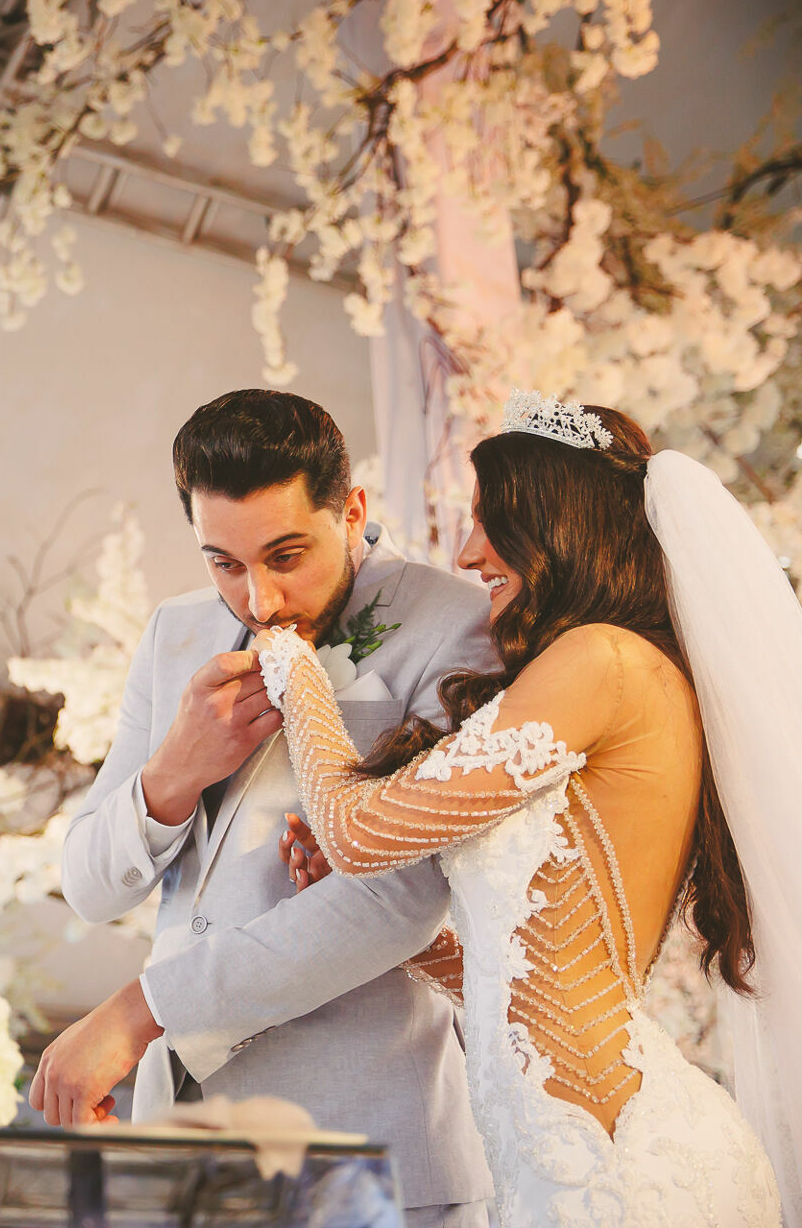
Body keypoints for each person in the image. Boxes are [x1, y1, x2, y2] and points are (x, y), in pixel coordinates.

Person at [263, 393, 790, 1225]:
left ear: (556, 519)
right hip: (585, 1152)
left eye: (489, 518)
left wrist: (291, 666)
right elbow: (530, 969)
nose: (469, 553)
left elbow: (359, 832)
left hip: (615, 1173)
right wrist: (406, 944)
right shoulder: (631, 672)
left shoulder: (604, 659)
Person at [32, 390, 493, 1227]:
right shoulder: (175, 631)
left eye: (288, 555)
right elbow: (92, 887)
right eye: (226, 563)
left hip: (370, 1152)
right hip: (184, 1152)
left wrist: (144, 1010)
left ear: (351, 510)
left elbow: (399, 902)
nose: (263, 599)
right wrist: (172, 774)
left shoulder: (453, 623)